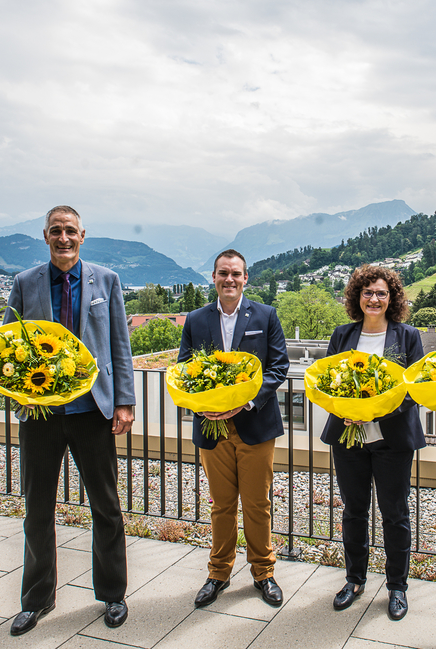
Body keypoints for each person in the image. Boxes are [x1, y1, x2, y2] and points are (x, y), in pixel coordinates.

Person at [4, 205, 134, 636]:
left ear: (83, 236)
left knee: (107, 507)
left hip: (92, 412)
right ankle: (36, 601)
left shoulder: (107, 280)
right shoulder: (25, 284)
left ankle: (113, 594)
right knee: (37, 509)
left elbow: (119, 345)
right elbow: (6, 345)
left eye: (71, 232)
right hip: (41, 414)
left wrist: (124, 402)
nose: (64, 238)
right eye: (56, 231)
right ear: (46, 236)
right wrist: (18, 395)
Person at [178, 249, 290, 608]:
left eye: (236, 274)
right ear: (213, 277)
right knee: (222, 505)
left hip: (255, 425)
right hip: (212, 429)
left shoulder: (266, 315)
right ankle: (218, 573)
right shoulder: (195, 319)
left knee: (258, 504)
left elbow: (278, 367)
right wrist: (204, 405)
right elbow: (183, 370)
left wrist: (248, 401)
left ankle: (263, 573)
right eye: (223, 273)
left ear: (245, 279)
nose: (230, 279)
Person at [320, 265, 424, 621]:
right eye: (368, 293)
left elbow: (415, 389)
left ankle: (397, 587)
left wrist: (376, 411)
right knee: (353, 510)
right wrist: (343, 408)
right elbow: (327, 382)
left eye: (381, 293)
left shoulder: (407, 336)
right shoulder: (342, 334)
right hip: (348, 438)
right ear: (356, 297)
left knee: (395, 513)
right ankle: (354, 580)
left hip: (393, 439)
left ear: (392, 298)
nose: (374, 299)